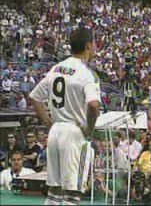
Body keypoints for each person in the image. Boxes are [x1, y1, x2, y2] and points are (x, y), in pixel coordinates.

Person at [29, 28, 101, 205]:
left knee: (54, 192)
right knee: (72, 194)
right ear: (88, 46)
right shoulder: (87, 73)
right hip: (75, 133)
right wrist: (89, 131)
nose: (96, 47)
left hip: (55, 131)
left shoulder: (56, 68)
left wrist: (48, 123)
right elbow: (93, 105)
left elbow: (35, 97)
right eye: (94, 44)